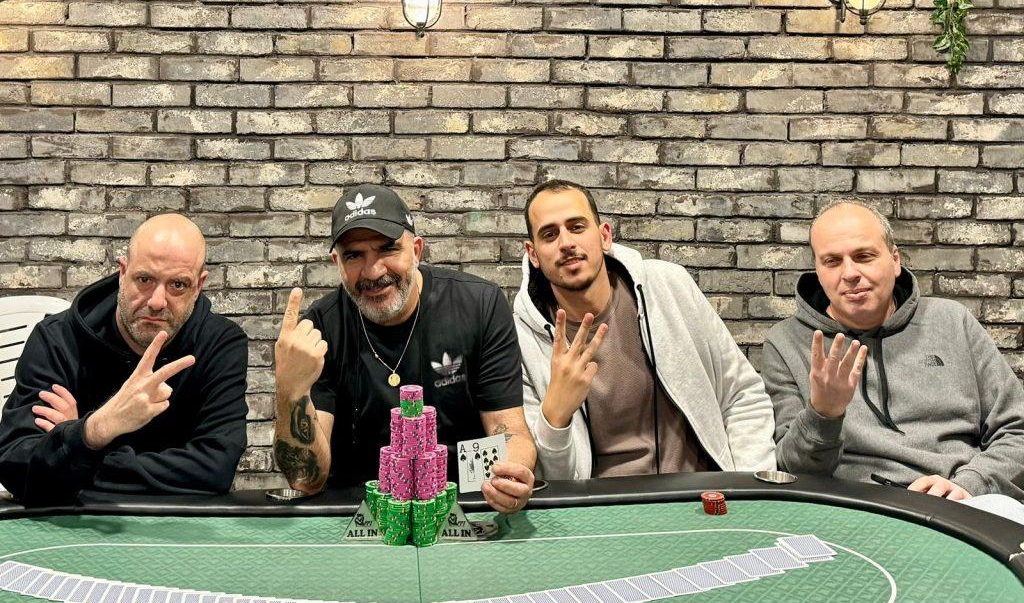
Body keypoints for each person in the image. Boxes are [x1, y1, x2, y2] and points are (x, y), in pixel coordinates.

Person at [273, 184, 537, 513]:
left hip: (465, 505)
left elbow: (509, 429)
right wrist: (290, 390)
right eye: (354, 255)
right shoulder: (321, 329)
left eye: (388, 249)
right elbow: (305, 480)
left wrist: (511, 475)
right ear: (337, 262)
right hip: (358, 513)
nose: (373, 271)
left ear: (416, 250)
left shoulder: (479, 305)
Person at [762, 200, 1024, 500]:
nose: (849, 273)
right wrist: (823, 414)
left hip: (960, 502)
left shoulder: (952, 321)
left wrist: (971, 483)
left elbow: (1017, 430)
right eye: (832, 261)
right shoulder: (786, 342)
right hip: (853, 508)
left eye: (863, 256)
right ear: (818, 272)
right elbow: (792, 472)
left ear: (895, 260)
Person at [515, 179, 777, 480]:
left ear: (604, 236)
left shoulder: (669, 286)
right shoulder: (522, 340)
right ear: (533, 254)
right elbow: (552, 481)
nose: (566, 243)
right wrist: (555, 418)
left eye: (577, 227)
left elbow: (742, 395)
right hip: (603, 504)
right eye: (549, 234)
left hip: (701, 492)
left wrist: (748, 488)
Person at [0, 214, 249, 504]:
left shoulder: (220, 344)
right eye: (144, 280)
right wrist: (96, 428)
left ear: (198, 286)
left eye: (178, 285)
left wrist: (77, 447)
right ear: (123, 272)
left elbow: (216, 469)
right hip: (76, 522)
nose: (157, 301)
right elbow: (16, 467)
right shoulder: (57, 340)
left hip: (178, 523)